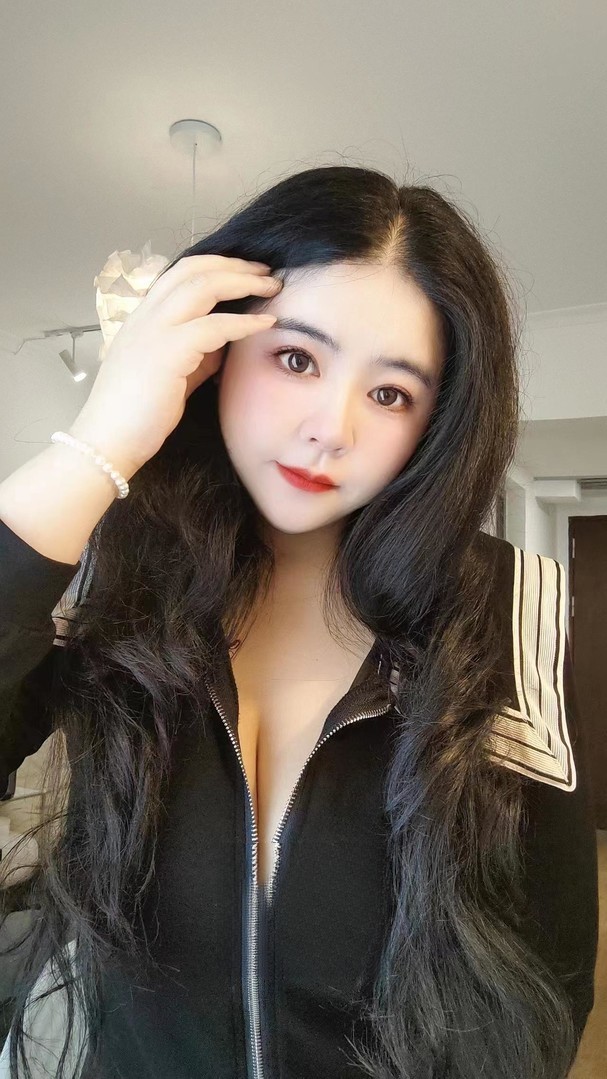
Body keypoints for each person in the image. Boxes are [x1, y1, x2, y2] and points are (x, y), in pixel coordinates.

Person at [0, 164, 598, 1079]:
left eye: (390, 393)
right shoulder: (116, 584)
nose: (332, 428)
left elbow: (546, 982)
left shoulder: (512, 610)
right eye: (296, 359)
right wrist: (100, 442)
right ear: (214, 353)